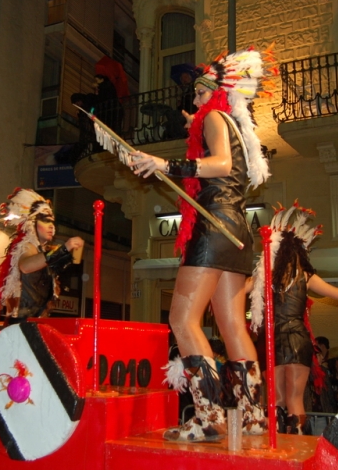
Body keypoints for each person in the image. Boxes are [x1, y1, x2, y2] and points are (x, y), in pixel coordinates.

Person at [128, 48, 275, 441]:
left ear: (215, 92)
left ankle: (209, 415)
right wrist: (198, 130)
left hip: (213, 228)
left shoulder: (214, 118)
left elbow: (222, 165)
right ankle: (252, 415)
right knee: (231, 326)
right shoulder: (228, 123)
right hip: (237, 231)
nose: (193, 100)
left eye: (198, 93)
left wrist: (165, 164)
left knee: (182, 319)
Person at [249, 203, 338, 434]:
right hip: (298, 338)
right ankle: (296, 440)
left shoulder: (264, 277)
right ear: (299, 251)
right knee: (295, 399)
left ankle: (278, 443)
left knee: (276, 399)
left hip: (272, 338)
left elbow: (240, 289)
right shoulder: (306, 276)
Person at [0, 188, 84, 325]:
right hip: (21, 322)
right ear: (32, 222)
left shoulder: (41, 251)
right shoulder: (26, 245)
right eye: (46, 221)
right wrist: (63, 249)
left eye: (53, 223)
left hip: (34, 320)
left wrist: (65, 255)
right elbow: (25, 266)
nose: (52, 227)